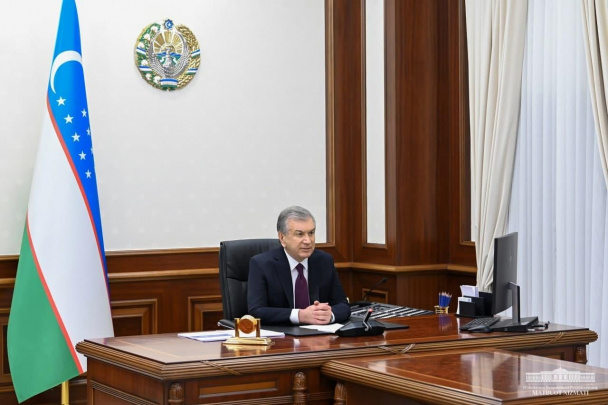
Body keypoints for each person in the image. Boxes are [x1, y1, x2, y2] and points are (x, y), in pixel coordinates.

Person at [248, 206, 350, 325]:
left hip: (320, 334)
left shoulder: (324, 261)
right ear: (282, 238)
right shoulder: (262, 264)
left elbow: (343, 305)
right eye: (300, 234)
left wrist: (329, 315)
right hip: (282, 334)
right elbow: (257, 311)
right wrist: (300, 315)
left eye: (311, 233)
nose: (308, 241)